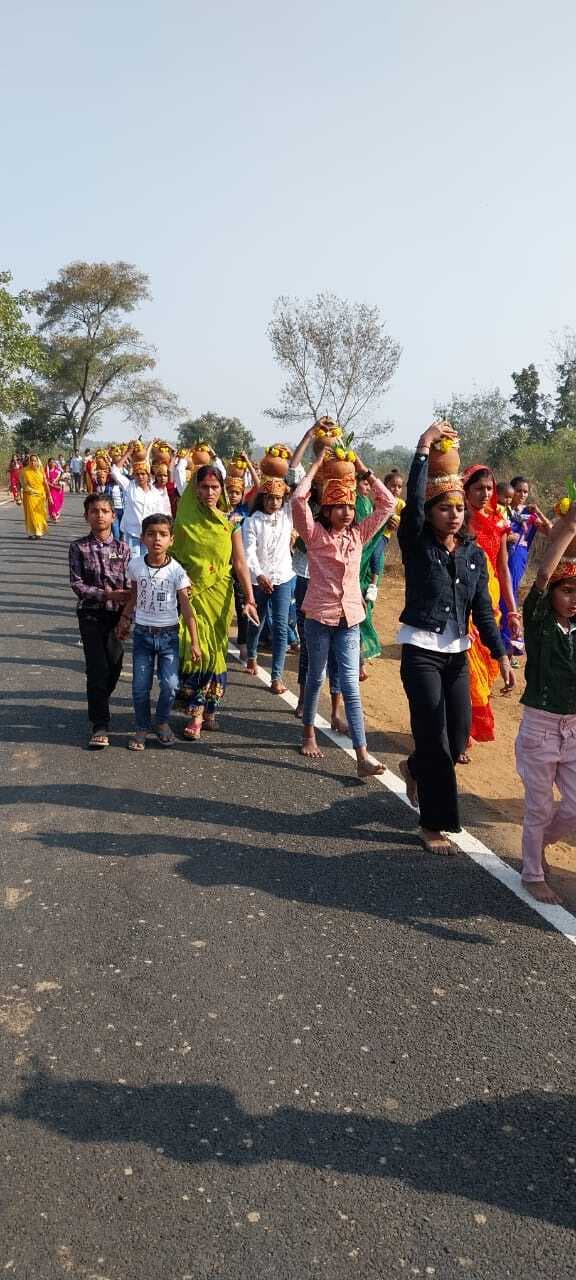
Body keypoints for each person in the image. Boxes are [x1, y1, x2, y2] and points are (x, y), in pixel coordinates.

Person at [397, 424, 513, 854]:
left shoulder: (473, 555)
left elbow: (483, 610)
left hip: (457, 655)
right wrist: (424, 448)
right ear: (429, 513)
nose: (454, 515)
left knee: (460, 736)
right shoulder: (416, 543)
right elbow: (410, 503)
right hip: (421, 653)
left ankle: (414, 768)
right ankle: (432, 823)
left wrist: (500, 655)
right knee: (435, 740)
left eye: (458, 509)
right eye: (444, 509)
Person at [292, 449, 395, 777]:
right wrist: (319, 466)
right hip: (318, 619)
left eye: (350, 507)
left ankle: (362, 756)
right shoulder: (314, 535)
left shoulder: (359, 535)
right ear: (325, 508)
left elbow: (388, 504)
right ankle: (308, 732)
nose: (347, 512)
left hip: (350, 620)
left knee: (350, 684)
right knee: (315, 678)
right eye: (340, 507)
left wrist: (363, 470)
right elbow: (297, 501)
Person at [515, 504, 576, 904]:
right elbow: (540, 575)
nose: (573, 600)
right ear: (551, 593)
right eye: (567, 591)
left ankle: (536, 846)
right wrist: (569, 527)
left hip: (573, 729)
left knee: (573, 808)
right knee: (539, 807)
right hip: (539, 728)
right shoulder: (538, 623)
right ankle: (531, 872)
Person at [171, 464, 259, 738]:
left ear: (221, 489)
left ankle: (210, 709)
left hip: (220, 595)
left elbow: (240, 562)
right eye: (204, 487)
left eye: (214, 487)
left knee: (217, 651)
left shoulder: (231, 521)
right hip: (190, 594)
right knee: (196, 649)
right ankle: (196, 713)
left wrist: (250, 598)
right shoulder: (184, 521)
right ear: (195, 489)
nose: (209, 492)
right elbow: (173, 558)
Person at [116, 514, 200, 751]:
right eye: (151, 534)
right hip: (143, 634)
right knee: (140, 686)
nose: (157, 539)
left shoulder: (177, 572)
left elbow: (186, 607)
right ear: (142, 538)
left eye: (163, 535)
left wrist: (194, 642)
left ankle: (162, 722)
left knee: (171, 684)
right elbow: (134, 595)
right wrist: (125, 618)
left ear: (171, 540)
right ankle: (142, 727)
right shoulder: (135, 565)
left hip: (169, 636)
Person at [462, 464, 521, 750]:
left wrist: (511, 609)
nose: (485, 494)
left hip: (490, 604)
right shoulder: (459, 520)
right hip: (464, 602)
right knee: (468, 668)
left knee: (485, 666)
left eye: (489, 488)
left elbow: (503, 568)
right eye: (478, 488)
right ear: (467, 490)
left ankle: (465, 725)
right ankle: (462, 730)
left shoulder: (499, 522)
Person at [69, 493, 131, 749]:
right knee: (97, 668)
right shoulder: (78, 547)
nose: (100, 515)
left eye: (105, 510)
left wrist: (127, 615)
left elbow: (131, 586)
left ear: (113, 515)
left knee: (114, 666)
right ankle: (100, 723)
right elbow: (77, 584)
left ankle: (98, 699)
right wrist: (106, 594)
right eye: (94, 511)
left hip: (117, 615)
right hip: (91, 613)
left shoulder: (124, 549)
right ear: (87, 516)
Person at [243, 478, 295, 695]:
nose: (274, 502)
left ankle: (276, 677)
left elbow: (297, 485)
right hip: (259, 580)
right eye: (270, 498)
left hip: (283, 578)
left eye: (278, 498)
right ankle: (252, 656)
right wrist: (259, 575)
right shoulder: (252, 521)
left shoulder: (287, 516)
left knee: (281, 628)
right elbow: (249, 553)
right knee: (257, 621)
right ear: (263, 498)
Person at [500, 475, 552, 663]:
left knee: (509, 598)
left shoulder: (529, 515)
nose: (522, 495)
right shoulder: (501, 510)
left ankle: (509, 648)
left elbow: (550, 531)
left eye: (525, 491)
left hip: (516, 559)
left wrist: (539, 512)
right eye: (519, 491)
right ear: (511, 491)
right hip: (497, 555)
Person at [110, 450, 171, 555]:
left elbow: (162, 515)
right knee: (132, 563)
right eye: (137, 474)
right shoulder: (129, 486)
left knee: (147, 563)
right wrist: (128, 452)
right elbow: (114, 471)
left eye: (143, 474)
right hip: (132, 533)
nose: (140, 476)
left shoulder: (155, 493)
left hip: (149, 535)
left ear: (148, 475)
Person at [19, 454, 50, 539]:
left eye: (34, 460)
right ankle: (32, 532)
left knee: (40, 514)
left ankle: (39, 531)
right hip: (30, 495)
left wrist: (49, 495)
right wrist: (31, 491)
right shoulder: (25, 472)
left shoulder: (41, 471)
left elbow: (45, 484)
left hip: (41, 496)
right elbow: (23, 485)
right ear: (29, 461)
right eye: (31, 460)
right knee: (31, 514)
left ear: (37, 461)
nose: (33, 462)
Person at [45, 457, 66, 522]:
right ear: (48, 463)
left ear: (55, 463)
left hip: (57, 489)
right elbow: (45, 480)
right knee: (51, 501)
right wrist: (49, 484)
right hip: (50, 489)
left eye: (53, 462)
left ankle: (55, 513)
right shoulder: (46, 472)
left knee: (57, 501)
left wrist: (59, 482)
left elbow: (61, 479)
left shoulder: (58, 471)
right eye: (50, 462)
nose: (51, 463)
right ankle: (53, 514)